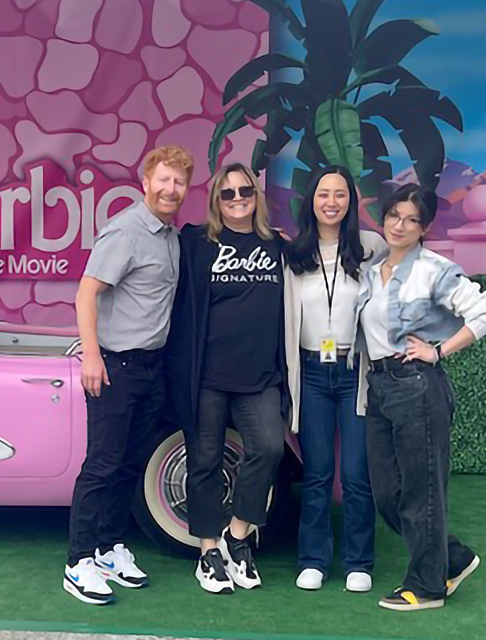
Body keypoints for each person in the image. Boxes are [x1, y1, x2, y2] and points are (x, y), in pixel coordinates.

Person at [356, 184, 486, 611]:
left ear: (425, 227)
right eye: (394, 216)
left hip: (418, 386)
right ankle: (452, 558)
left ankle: (427, 586)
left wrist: (437, 351)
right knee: (387, 493)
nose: (400, 225)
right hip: (380, 387)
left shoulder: (434, 269)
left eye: (411, 219)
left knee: (422, 490)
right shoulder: (373, 269)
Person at [64, 145, 194, 606]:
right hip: (115, 367)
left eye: (178, 182)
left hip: (150, 368)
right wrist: (93, 357)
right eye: (163, 180)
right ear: (145, 183)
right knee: (102, 465)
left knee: (130, 465)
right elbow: (86, 293)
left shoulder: (170, 237)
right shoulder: (126, 231)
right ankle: (78, 562)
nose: (170, 189)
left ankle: (108, 548)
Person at [166, 162, 290, 594]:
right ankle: (207, 551)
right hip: (206, 377)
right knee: (204, 461)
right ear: (216, 200)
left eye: (245, 192)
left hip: (260, 376)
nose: (238, 199)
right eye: (228, 193)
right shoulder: (196, 243)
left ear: (256, 197)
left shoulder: (277, 246)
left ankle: (237, 537)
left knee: (270, 449)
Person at [283, 166, 386, 593]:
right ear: (311, 200)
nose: (331, 202)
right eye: (323, 193)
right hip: (309, 371)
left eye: (340, 194)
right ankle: (314, 559)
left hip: (353, 372)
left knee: (357, 474)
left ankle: (359, 562)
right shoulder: (294, 254)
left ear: (350, 202)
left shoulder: (371, 248)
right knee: (319, 471)